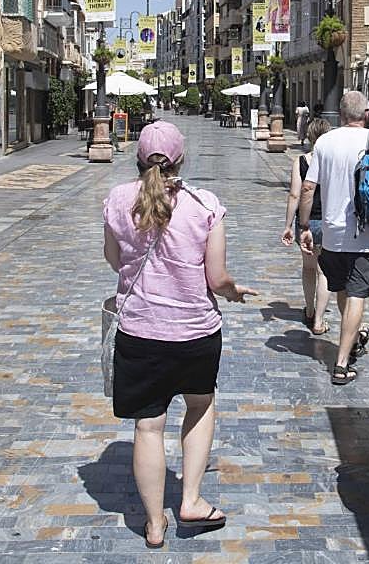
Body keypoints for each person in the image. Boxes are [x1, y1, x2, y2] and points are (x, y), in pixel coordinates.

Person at [102, 121, 258, 549]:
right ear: (182, 159)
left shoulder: (117, 200)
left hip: (139, 329)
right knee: (200, 406)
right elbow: (217, 278)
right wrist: (234, 292)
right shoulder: (205, 205)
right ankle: (190, 500)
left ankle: (154, 524)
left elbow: (115, 260)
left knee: (148, 427)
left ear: (138, 158)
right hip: (194, 331)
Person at [299, 90, 369, 385]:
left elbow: (308, 188)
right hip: (366, 236)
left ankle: (353, 338)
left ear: (342, 113)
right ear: (366, 114)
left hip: (332, 234)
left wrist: (305, 225)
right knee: (357, 294)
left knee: (345, 290)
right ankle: (342, 363)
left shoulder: (325, 142)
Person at [282, 118, 334, 335]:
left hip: (306, 223)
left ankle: (310, 311)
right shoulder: (333, 163)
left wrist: (287, 225)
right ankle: (319, 321)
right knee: (325, 272)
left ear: (310, 137)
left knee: (309, 268)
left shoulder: (301, 161)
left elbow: (295, 194)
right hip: (329, 222)